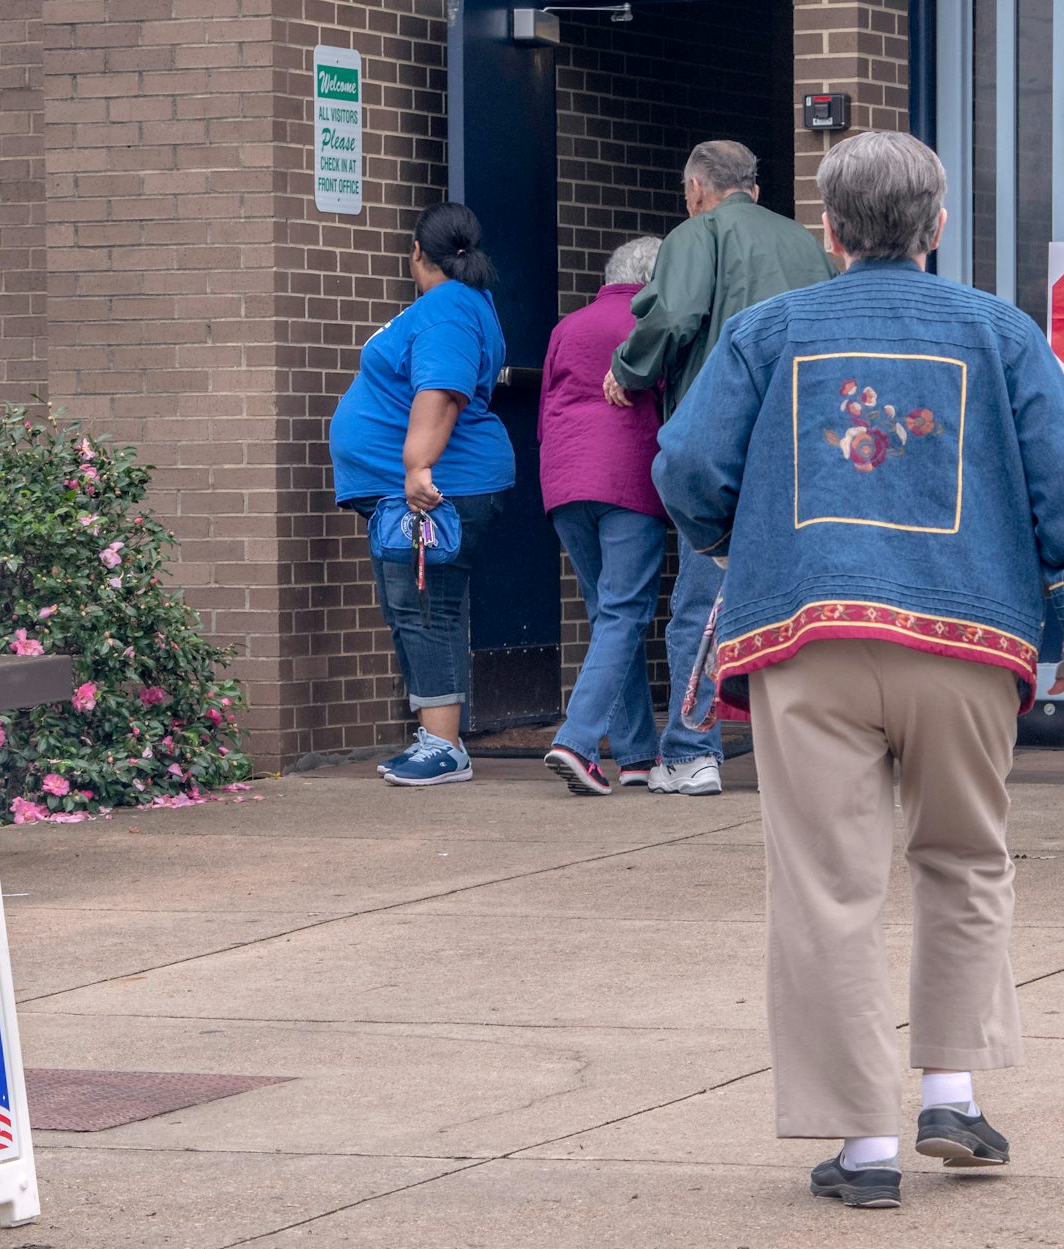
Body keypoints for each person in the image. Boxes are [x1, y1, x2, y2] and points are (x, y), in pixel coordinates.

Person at [652, 131, 1064, 1210]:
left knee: (827, 887)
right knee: (964, 857)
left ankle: (865, 1150)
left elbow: (685, 464)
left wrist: (742, 535)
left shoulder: (768, 331)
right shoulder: (1000, 333)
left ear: (829, 229)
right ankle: (952, 1091)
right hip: (968, 638)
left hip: (807, 636)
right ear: (938, 226)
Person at [605, 139, 834, 797]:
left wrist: (628, 369)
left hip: (725, 445)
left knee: (704, 601)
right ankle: (801, 754)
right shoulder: (804, 245)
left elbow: (672, 316)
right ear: (755, 191)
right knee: (799, 604)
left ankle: (691, 748)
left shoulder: (695, 234)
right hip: (806, 447)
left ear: (696, 190)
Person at [329, 202, 515, 787]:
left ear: (417, 252)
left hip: (435, 487)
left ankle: (441, 744)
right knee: (425, 604)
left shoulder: (447, 309)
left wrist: (417, 466)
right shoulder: (458, 305)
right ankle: (441, 739)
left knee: (423, 607)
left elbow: (442, 391)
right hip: (429, 487)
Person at [536, 237, 667, 796]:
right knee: (624, 614)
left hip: (564, 480)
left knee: (611, 615)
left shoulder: (568, 326)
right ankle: (578, 740)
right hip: (626, 478)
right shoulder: (654, 323)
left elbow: (546, 405)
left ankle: (636, 754)